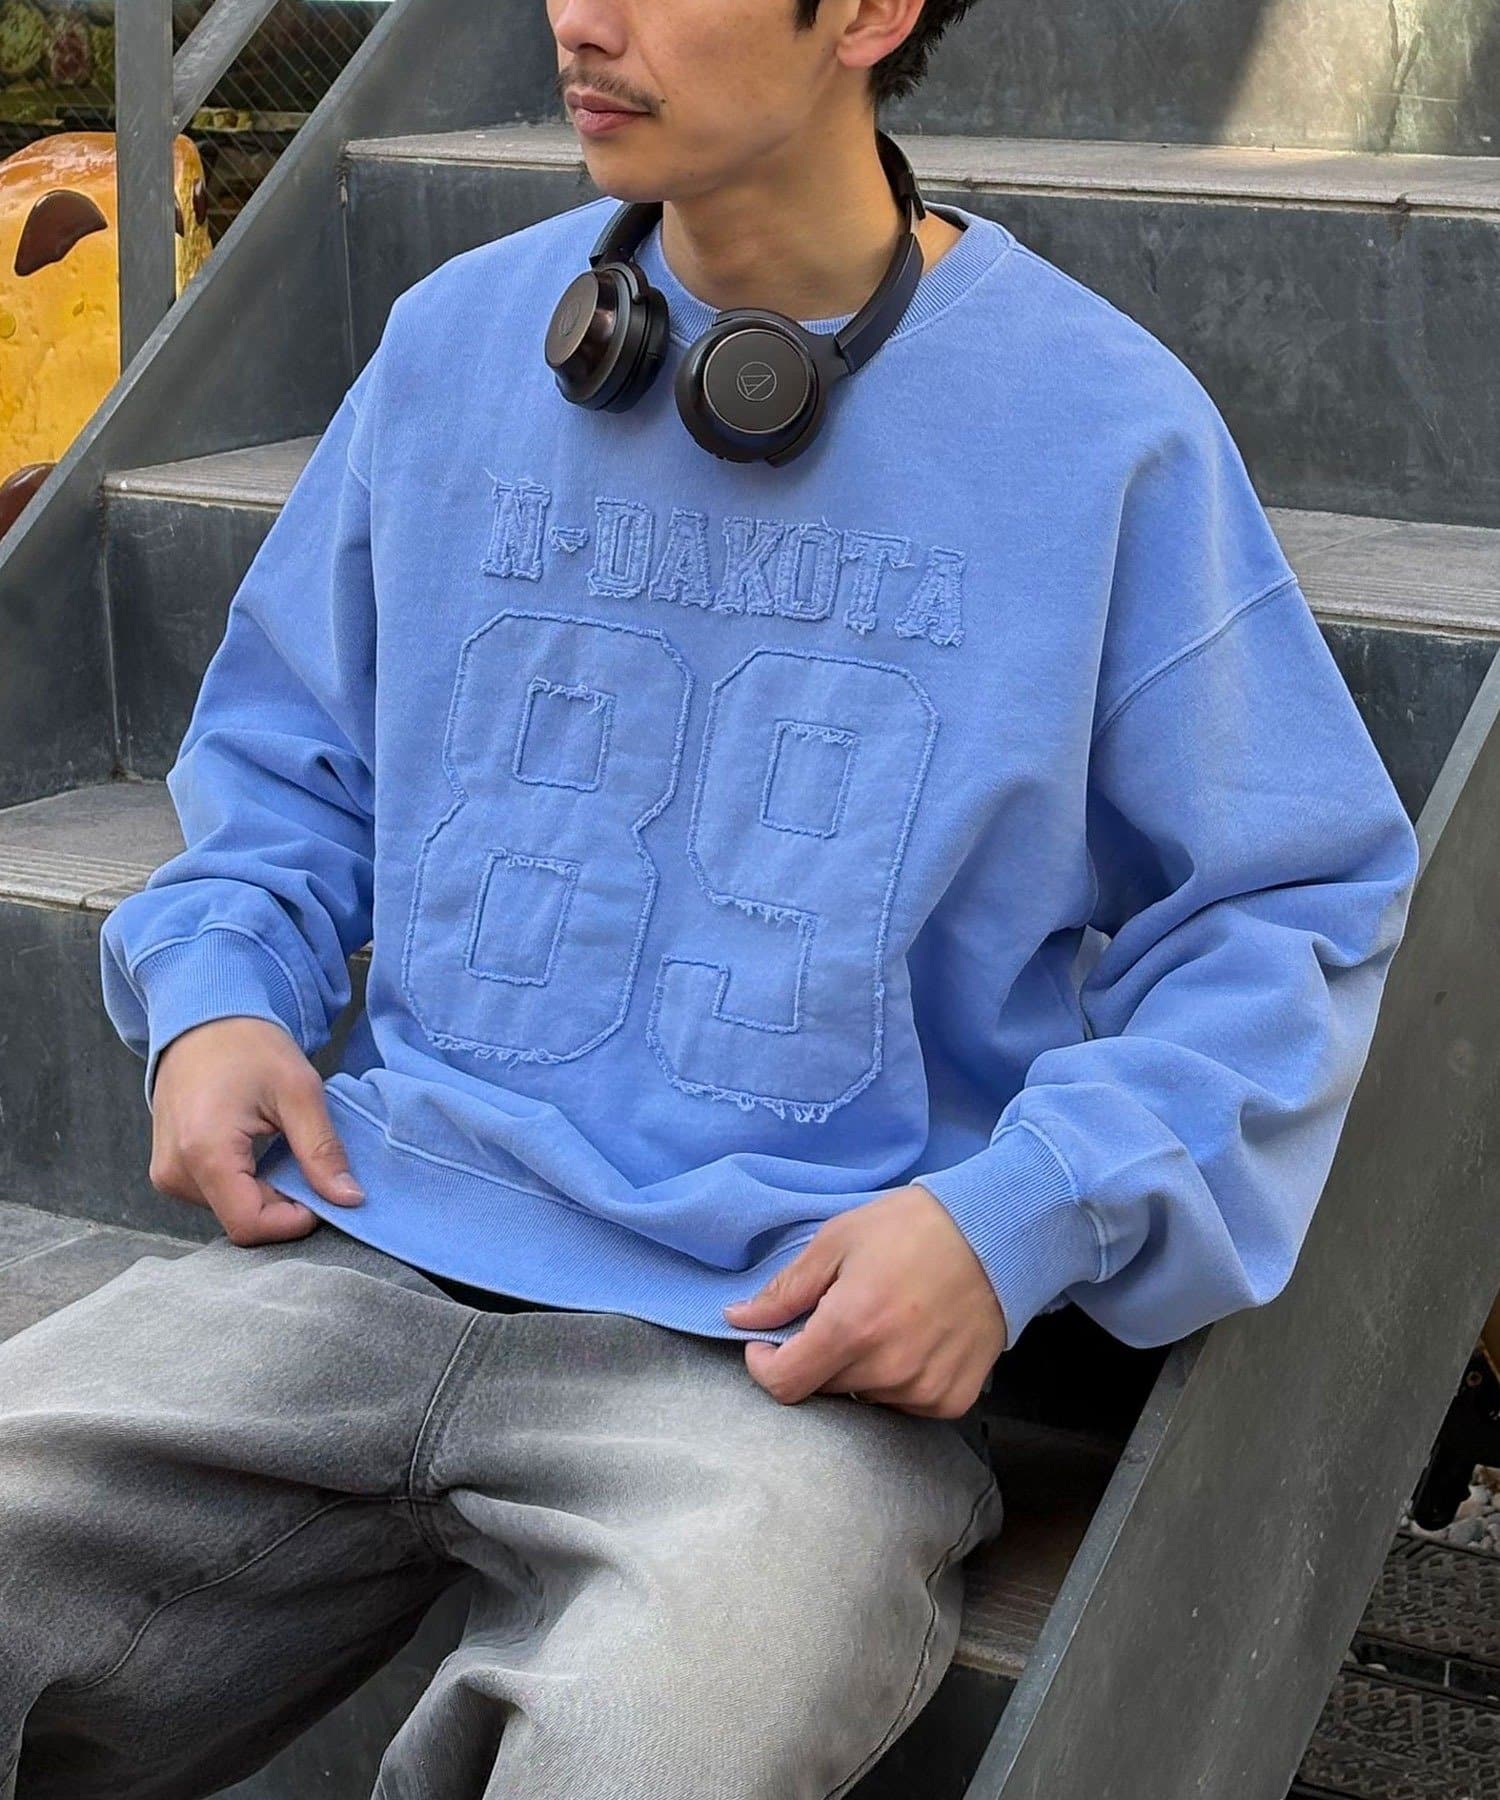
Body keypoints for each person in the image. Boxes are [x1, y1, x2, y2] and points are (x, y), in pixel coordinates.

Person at [0, 0, 1421, 1794]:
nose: (578, 20)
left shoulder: (1104, 433)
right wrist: (218, 989)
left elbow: (1286, 908)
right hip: (360, 1248)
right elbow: (291, 759)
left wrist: (1015, 1214)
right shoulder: (455, 347)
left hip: (781, 1366)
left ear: (871, 13)